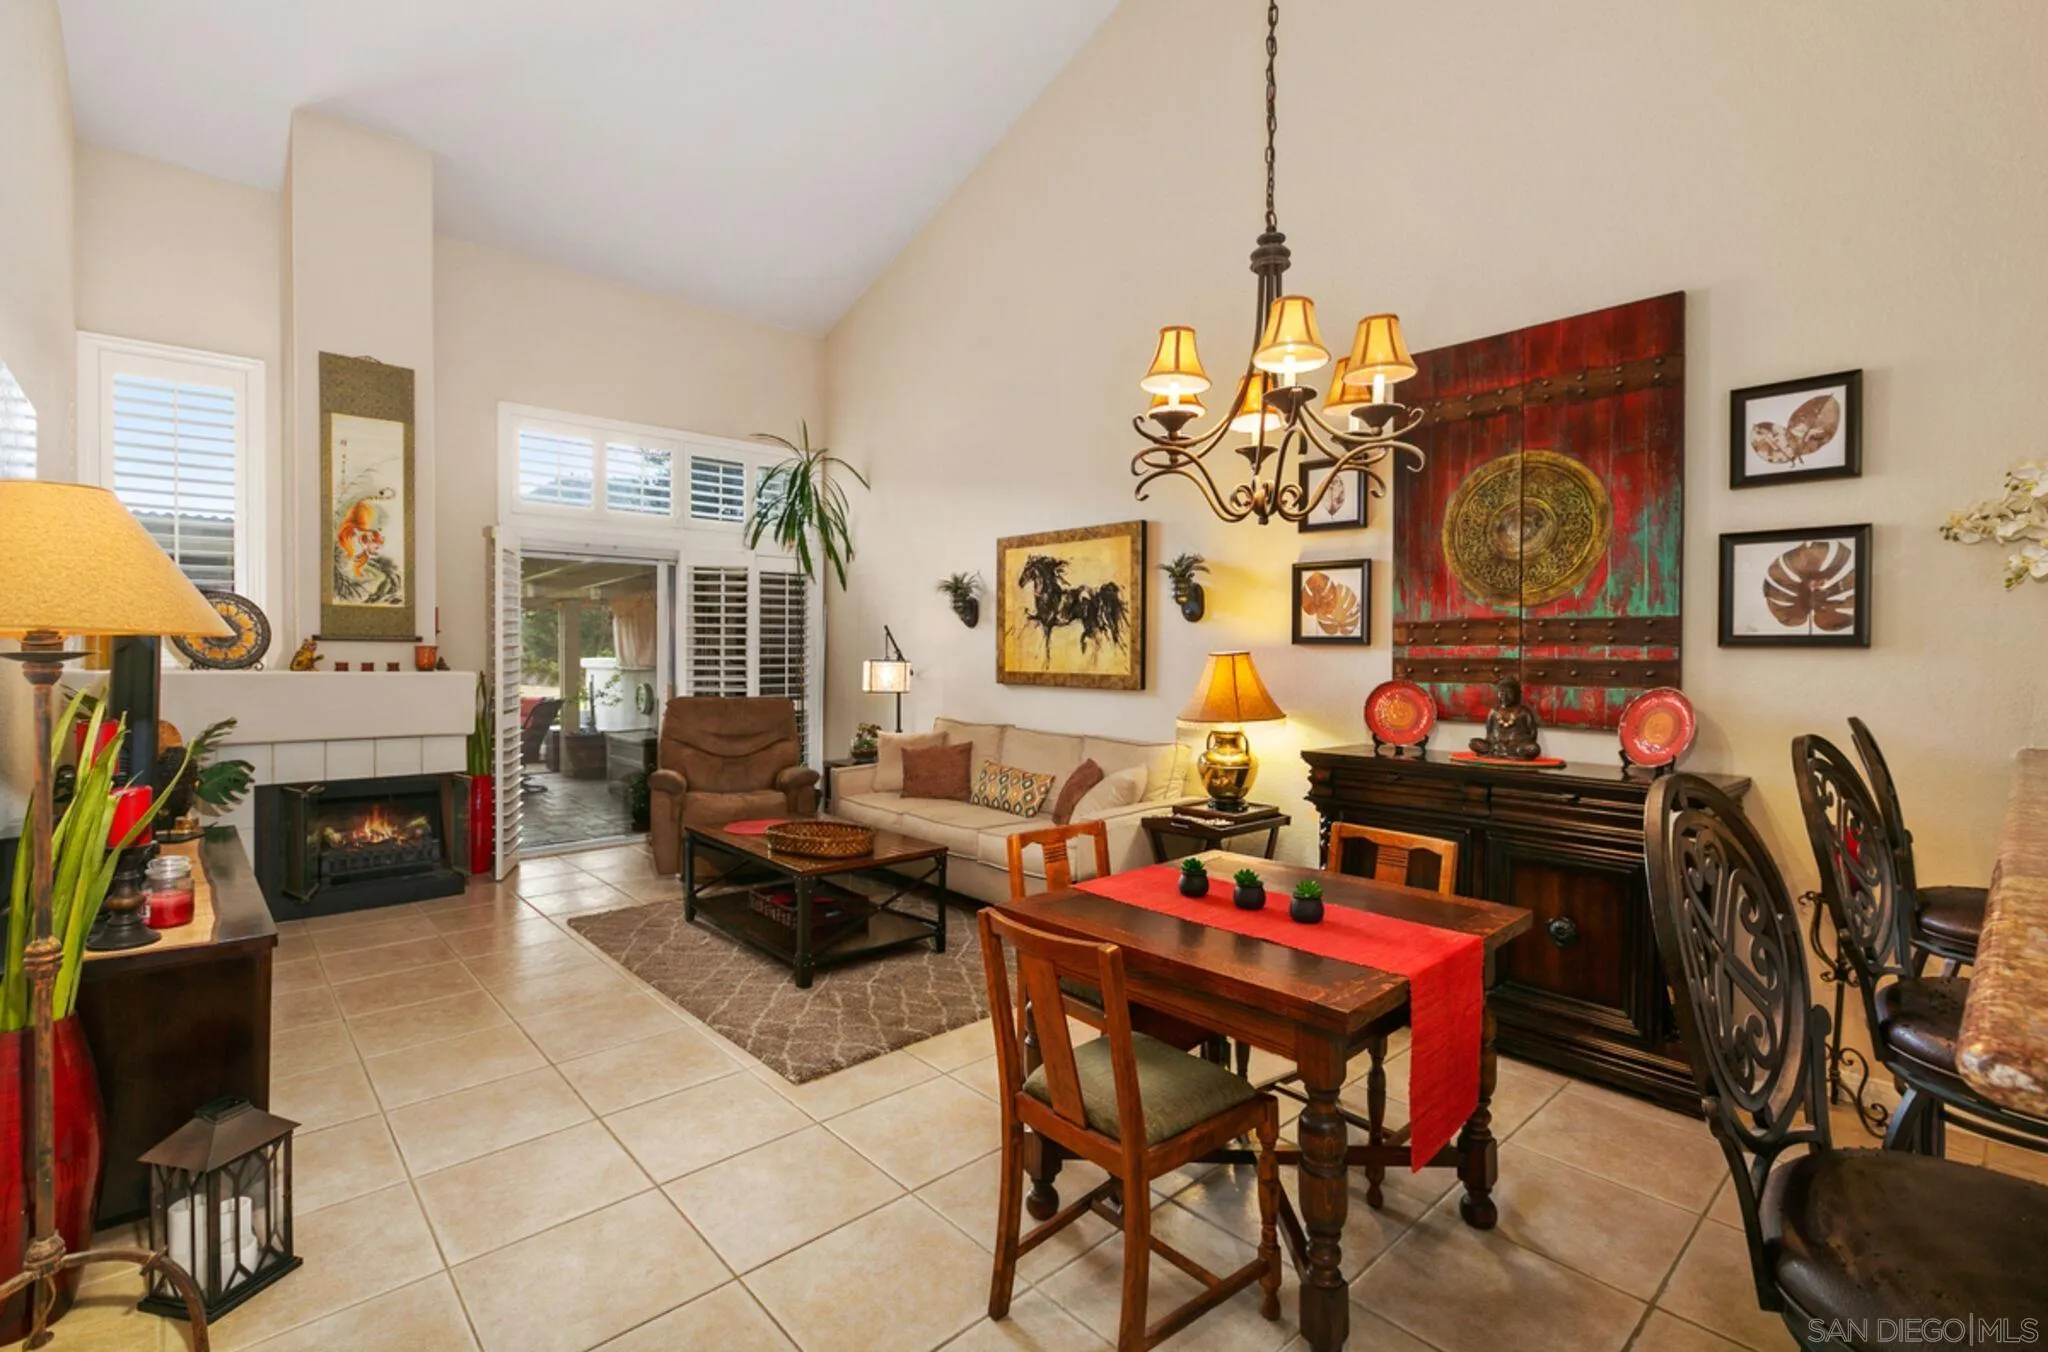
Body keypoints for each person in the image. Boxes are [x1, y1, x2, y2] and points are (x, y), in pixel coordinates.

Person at [1469, 675, 1543, 760]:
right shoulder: (1494, 711)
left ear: (1516, 694)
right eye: (1502, 692)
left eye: (1509, 692)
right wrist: (1493, 741)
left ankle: (1507, 752)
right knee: (1473, 743)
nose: (1504, 696)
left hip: (1517, 746)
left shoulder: (1523, 712)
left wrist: (1519, 742)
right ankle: (1498, 751)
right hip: (1495, 745)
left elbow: (1533, 734)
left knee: (1534, 748)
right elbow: (1489, 731)